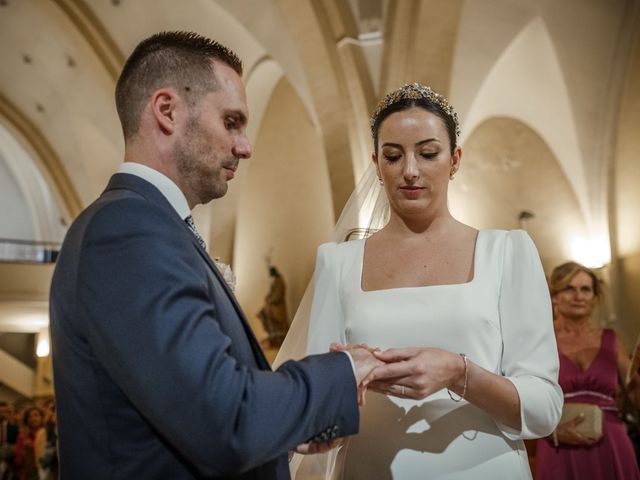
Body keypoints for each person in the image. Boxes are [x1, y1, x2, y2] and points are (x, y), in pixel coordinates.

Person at [49, 31, 382, 480]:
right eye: (231, 122)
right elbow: (226, 422)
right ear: (167, 111)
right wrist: (341, 371)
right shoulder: (127, 231)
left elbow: (186, 407)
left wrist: (286, 427)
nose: (245, 147)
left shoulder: (149, 225)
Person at [285, 83, 563, 479]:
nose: (410, 171)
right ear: (377, 165)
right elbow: (319, 407)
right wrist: (337, 397)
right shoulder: (338, 263)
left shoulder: (507, 252)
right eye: (393, 156)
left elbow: (544, 408)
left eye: (428, 153)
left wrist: (458, 372)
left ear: (454, 159)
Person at [534, 262, 640, 479]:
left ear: (594, 297)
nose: (578, 296)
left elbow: (635, 397)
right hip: (556, 441)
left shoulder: (612, 339)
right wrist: (549, 432)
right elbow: (521, 398)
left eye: (586, 289)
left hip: (610, 441)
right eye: (569, 288)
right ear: (554, 296)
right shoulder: (539, 339)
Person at [258, 266, 290, 348]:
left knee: (276, 321)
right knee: (262, 314)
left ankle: (278, 339)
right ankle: (272, 336)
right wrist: (268, 297)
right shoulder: (275, 280)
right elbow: (272, 292)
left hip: (277, 307)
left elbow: (278, 294)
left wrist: (270, 300)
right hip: (273, 305)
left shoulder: (279, 280)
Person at [14, 407, 43, 480]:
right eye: (30, 416)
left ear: (41, 417)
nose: (33, 418)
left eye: (36, 415)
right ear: (27, 420)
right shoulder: (22, 436)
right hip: (27, 474)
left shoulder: (46, 435)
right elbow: (18, 461)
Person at [0, 401, 18, 480]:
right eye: (0, 412)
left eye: (5, 412)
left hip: (9, 464)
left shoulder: (14, 428)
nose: (2, 414)